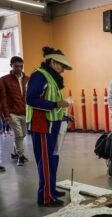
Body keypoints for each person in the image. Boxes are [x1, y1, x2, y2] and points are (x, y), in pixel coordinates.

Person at [26, 46, 72, 207]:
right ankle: (45, 197)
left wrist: (65, 115)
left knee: (52, 161)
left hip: (52, 126)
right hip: (42, 127)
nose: (63, 71)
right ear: (52, 62)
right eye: (61, 66)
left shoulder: (51, 78)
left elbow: (54, 105)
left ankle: (51, 189)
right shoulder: (39, 75)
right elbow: (31, 99)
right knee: (46, 163)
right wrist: (55, 104)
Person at [0, 56, 29, 165]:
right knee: (19, 135)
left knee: (23, 134)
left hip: (25, 112)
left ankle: (14, 152)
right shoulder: (4, 80)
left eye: (21, 66)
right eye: (16, 66)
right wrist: (6, 115)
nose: (19, 68)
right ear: (11, 66)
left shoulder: (27, 79)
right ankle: (20, 156)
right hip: (12, 113)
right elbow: (3, 98)